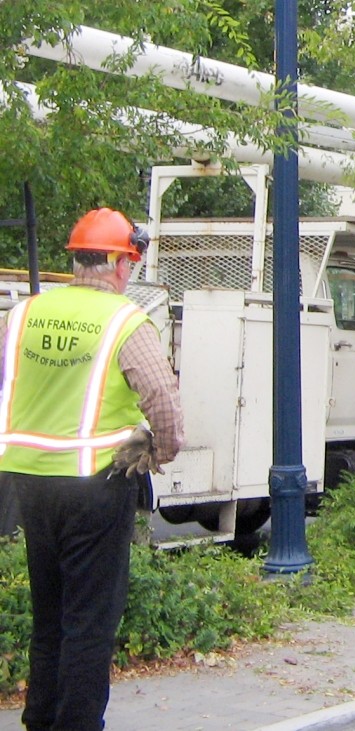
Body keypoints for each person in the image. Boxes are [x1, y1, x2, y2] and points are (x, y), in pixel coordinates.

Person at [0, 207, 184, 731]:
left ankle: (40, 720)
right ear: (121, 264)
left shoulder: (23, 315)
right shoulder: (125, 321)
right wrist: (160, 452)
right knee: (89, 622)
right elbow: (165, 407)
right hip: (98, 486)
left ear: (78, 260)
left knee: (50, 615)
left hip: (29, 484)